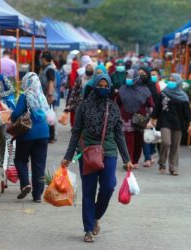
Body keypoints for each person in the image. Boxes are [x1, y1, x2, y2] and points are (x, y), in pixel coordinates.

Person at [62, 74, 132, 243]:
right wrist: (68, 156)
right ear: (94, 86)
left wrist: (127, 158)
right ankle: (88, 229)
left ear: (109, 87)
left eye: (105, 85)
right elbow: (76, 132)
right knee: (88, 191)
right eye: (99, 84)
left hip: (108, 151)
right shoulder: (83, 107)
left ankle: (95, 216)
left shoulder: (114, 108)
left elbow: (119, 135)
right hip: (87, 152)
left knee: (108, 187)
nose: (102, 87)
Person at [11, 72, 49, 202]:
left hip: (27, 133)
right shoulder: (41, 97)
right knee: (39, 164)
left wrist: (12, 118)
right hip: (43, 134)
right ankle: (37, 195)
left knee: (20, 160)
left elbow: (16, 114)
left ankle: (26, 183)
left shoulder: (25, 96)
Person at [147, 73, 191, 176]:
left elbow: (187, 113)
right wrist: (152, 120)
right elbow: (157, 108)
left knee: (175, 146)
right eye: (170, 80)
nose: (171, 82)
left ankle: (173, 167)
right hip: (165, 122)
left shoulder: (184, 96)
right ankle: (162, 163)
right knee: (166, 142)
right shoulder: (163, 94)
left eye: (173, 80)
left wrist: (190, 124)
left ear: (178, 82)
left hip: (178, 123)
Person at [116, 69, 154, 168]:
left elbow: (150, 105)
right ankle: (129, 161)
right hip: (126, 119)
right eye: (127, 77)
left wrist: (150, 119)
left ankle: (135, 160)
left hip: (140, 120)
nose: (128, 79)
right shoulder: (122, 89)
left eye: (130, 77)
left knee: (138, 142)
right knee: (128, 141)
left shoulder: (144, 89)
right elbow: (117, 103)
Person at [139, 66, 159, 167]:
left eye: (144, 74)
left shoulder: (152, 85)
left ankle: (151, 154)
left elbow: (156, 101)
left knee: (151, 136)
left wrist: (154, 115)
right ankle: (147, 158)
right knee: (145, 136)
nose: (142, 76)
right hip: (141, 114)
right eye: (140, 74)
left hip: (152, 113)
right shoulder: (138, 85)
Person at [65, 62, 94, 127]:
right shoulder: (80, 78)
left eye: (90, 68)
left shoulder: (95, 80)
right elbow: (73, 92)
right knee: (79, 122)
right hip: (79, 104)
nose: (88, 69)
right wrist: (69, 104)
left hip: (91, 105)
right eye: (87, 68)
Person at [40, 51, 57, 142]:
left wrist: (49, 95)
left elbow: (51, 82)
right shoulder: (46, 68)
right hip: (46, 95)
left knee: (49, 116)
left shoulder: (49, 69)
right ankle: (49, 136)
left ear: (44, 59)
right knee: (48, 115)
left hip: (48, 95)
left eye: (42, 58)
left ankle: (51, 137)